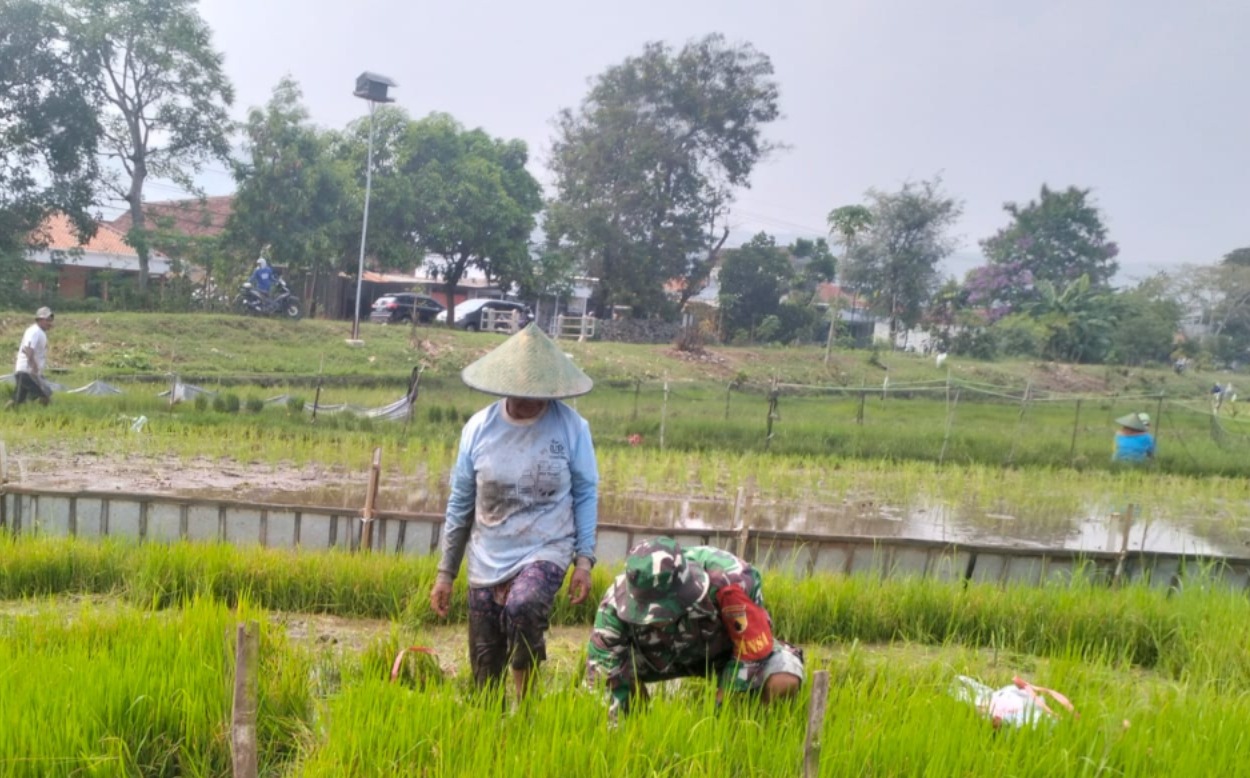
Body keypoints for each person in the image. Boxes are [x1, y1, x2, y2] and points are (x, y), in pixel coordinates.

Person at [429, 322, 599, 704]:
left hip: (546, 547)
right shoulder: (478, 429)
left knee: (524, 606)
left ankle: (525, 706)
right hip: (488, 555)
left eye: (539, 394)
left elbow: (586, 493)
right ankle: (492, 726)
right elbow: (460, 503)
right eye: (523, 393)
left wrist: (584, 561)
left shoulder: (572, 428)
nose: (531, 402)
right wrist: (446, 573)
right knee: (485, 672)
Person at [586, 536, 804, 721]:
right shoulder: (614, 605)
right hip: (657, 658)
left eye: (666, 609)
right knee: (614, 675)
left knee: (783, 680)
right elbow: (604, 674)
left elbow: (751, 651)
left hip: (722, 653)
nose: (659, 621)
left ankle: (754, 732)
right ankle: (640, 724)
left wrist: (719, 712)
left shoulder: (730, 580)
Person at [8, 307, 55, 408]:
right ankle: (44, 414)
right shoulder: (34, 331)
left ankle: (5, 413)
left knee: (17, 399)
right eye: (47, 320)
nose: (50, 323)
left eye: (50, 321)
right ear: (40, 319)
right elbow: (28, 349)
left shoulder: (40, 332)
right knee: (45, 394)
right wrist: (34, 366)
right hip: (27, 371)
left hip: (27, 371)